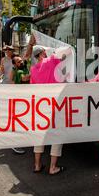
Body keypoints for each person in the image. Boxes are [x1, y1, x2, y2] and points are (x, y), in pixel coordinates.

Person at [29, 36, 71, 175]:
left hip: (41, 105)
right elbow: (67, 52)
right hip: (55, 103)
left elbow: (32, 89)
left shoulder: (33, 70)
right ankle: (53, 167)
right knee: (56, 135)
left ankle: (36, 165)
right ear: (42, 54)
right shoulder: (51, 60)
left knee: (39, 135)